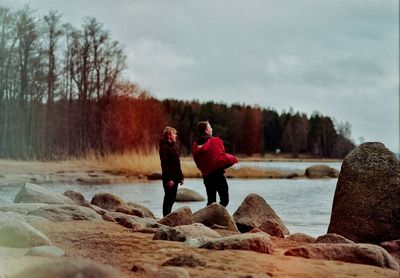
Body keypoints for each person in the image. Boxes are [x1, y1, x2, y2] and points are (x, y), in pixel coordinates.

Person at [192, 121, 238, 207]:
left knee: (211, 201)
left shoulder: (195, 145)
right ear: (206, 131)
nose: (211, 129)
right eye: (210, 127)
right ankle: (217, 217)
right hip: (217, 175)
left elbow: (198, 162)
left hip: (206, 176)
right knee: (225, 200)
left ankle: (208, 218)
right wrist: (232, 160)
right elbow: (220, 156)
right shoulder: (214, 141)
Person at [159, 126, 184, 216]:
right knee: (168, 198)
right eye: (174, 134)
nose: (176, 135)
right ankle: (165, 217)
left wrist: (181, 177)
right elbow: (164, 164)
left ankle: (168, 216)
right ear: (169, 135)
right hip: (168, 178)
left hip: (176, 177)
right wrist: (169, 179)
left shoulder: (174, 146)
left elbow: (177, 163)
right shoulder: (163, 147)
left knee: (172, 198)